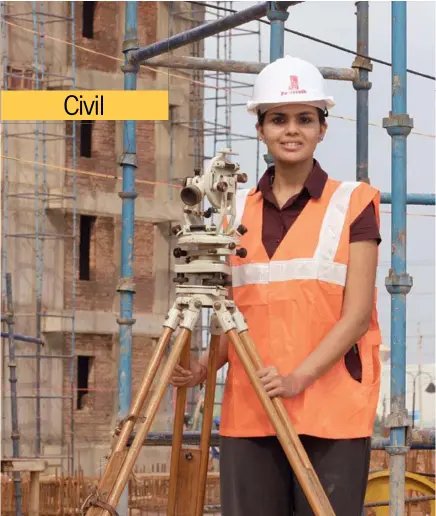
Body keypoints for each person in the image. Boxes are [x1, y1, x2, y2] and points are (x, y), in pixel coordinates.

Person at [171, 55, 382, 516]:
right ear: (261, 128)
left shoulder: (355, 202)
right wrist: (205, 365)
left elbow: (357, 315)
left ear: (322, 128)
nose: (292, 130)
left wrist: (296, 379)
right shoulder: (234, 212)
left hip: (332, 411)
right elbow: (234, 309)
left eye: (305, 119)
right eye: (279, 119)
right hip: (252, 408)